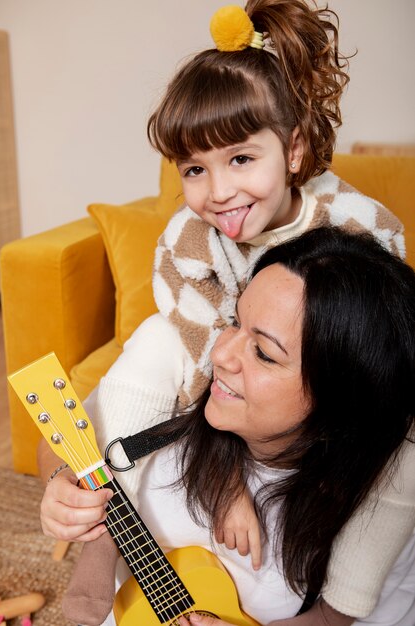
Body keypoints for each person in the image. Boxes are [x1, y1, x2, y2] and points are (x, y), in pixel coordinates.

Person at [37, 2, 414, 625]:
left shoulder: (355, 224)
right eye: (193, 169)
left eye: (240, 159)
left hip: (343, 387)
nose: (217, 193)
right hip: (210, 383)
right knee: (160, 339)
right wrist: (226, 479)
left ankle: (340, 604)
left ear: (294, 151)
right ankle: (103, 536)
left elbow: (383, 329)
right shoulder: (190, 242)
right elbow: (203, 345)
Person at [52, 228, 415, 625]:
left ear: (340, 401)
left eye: (263, 353)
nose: (220, 354)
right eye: (235, 321)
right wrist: (63, 489)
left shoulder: (379, 498)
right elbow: (66, 438)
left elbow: (339, 617)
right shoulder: (170, 394)